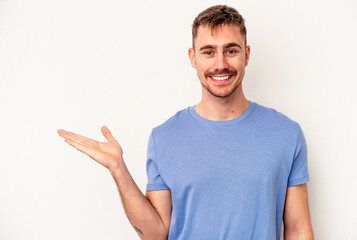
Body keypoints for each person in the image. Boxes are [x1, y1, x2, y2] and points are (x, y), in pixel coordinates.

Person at [57, 5, 314, 240]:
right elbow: (156, 234)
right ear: (193, 58)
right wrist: (118, 169)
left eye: (231, 50)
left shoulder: (286, 134)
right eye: (208, 52)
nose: (220, 64)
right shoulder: (164, 138)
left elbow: (299, 230)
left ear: (246, 55)